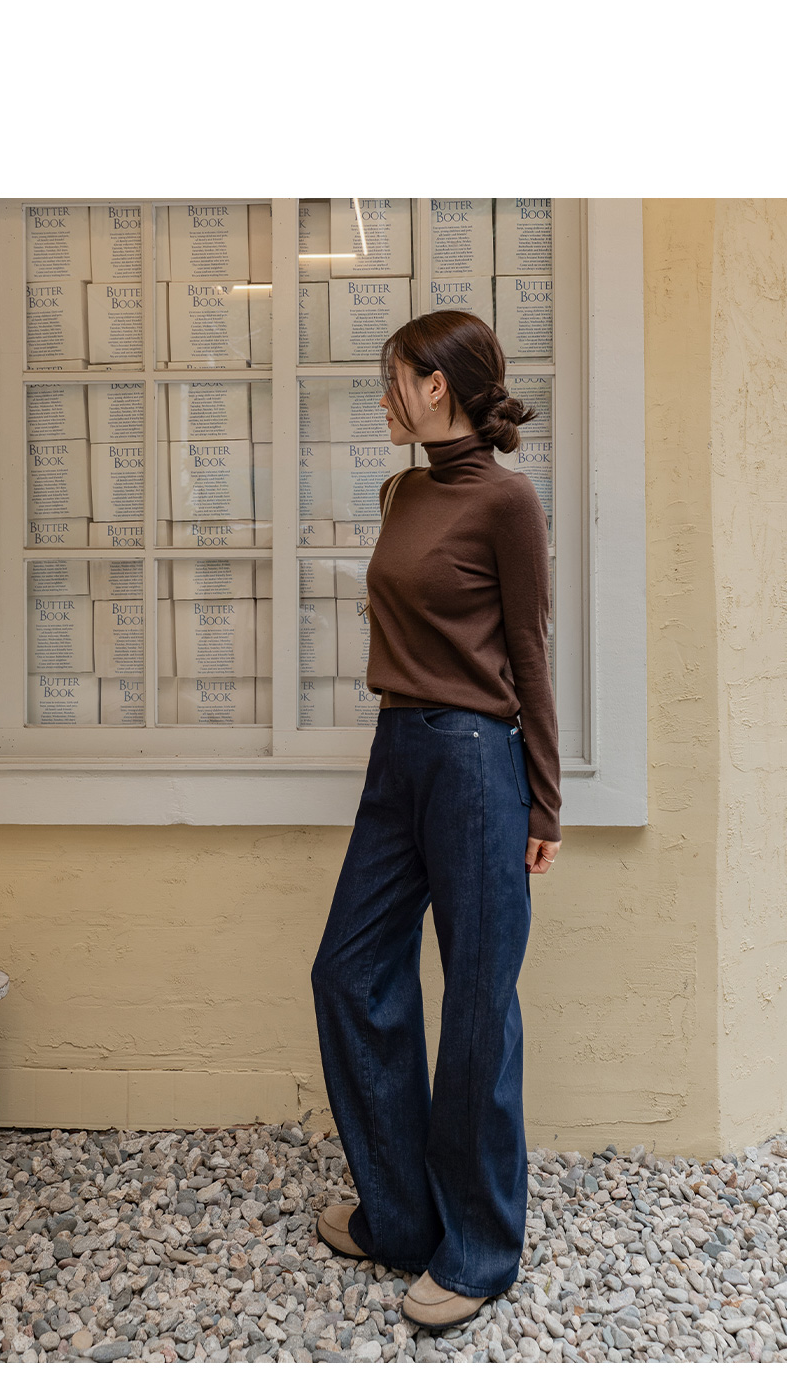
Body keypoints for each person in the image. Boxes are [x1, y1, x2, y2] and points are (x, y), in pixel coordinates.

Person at [311, 307, 561, 1338]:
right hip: (398, 753)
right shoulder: (404, 492)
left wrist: (543, 800)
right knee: (347, 971)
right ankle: (404, 1217)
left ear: (438, 386)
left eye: (395, 378)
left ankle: (480, 1249)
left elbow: (529, 651)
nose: (384, 395)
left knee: (477, 1007)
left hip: (473, 763)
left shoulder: (507, 501)